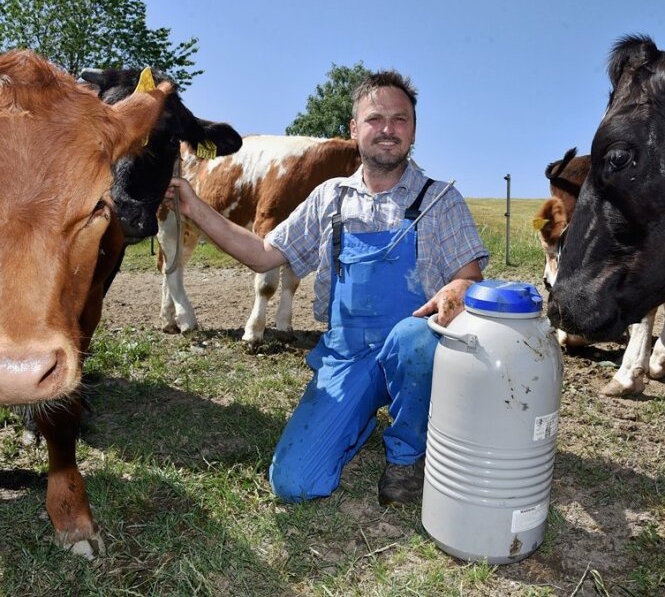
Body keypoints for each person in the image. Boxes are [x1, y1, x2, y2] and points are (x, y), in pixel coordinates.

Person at [164, 70, 489, 505]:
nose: (387, 129)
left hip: (416, 353)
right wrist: (195, 206)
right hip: (348, 355)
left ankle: (408, 453)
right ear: (354, 130)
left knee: (415, 341)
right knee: (296, 483)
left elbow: (469, 276)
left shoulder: (439, 199)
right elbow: (264, 254)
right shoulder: (329, 197)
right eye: (375, 119)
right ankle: (358, 413)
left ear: (413, 130)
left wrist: (458, 289)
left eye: (400, 119)